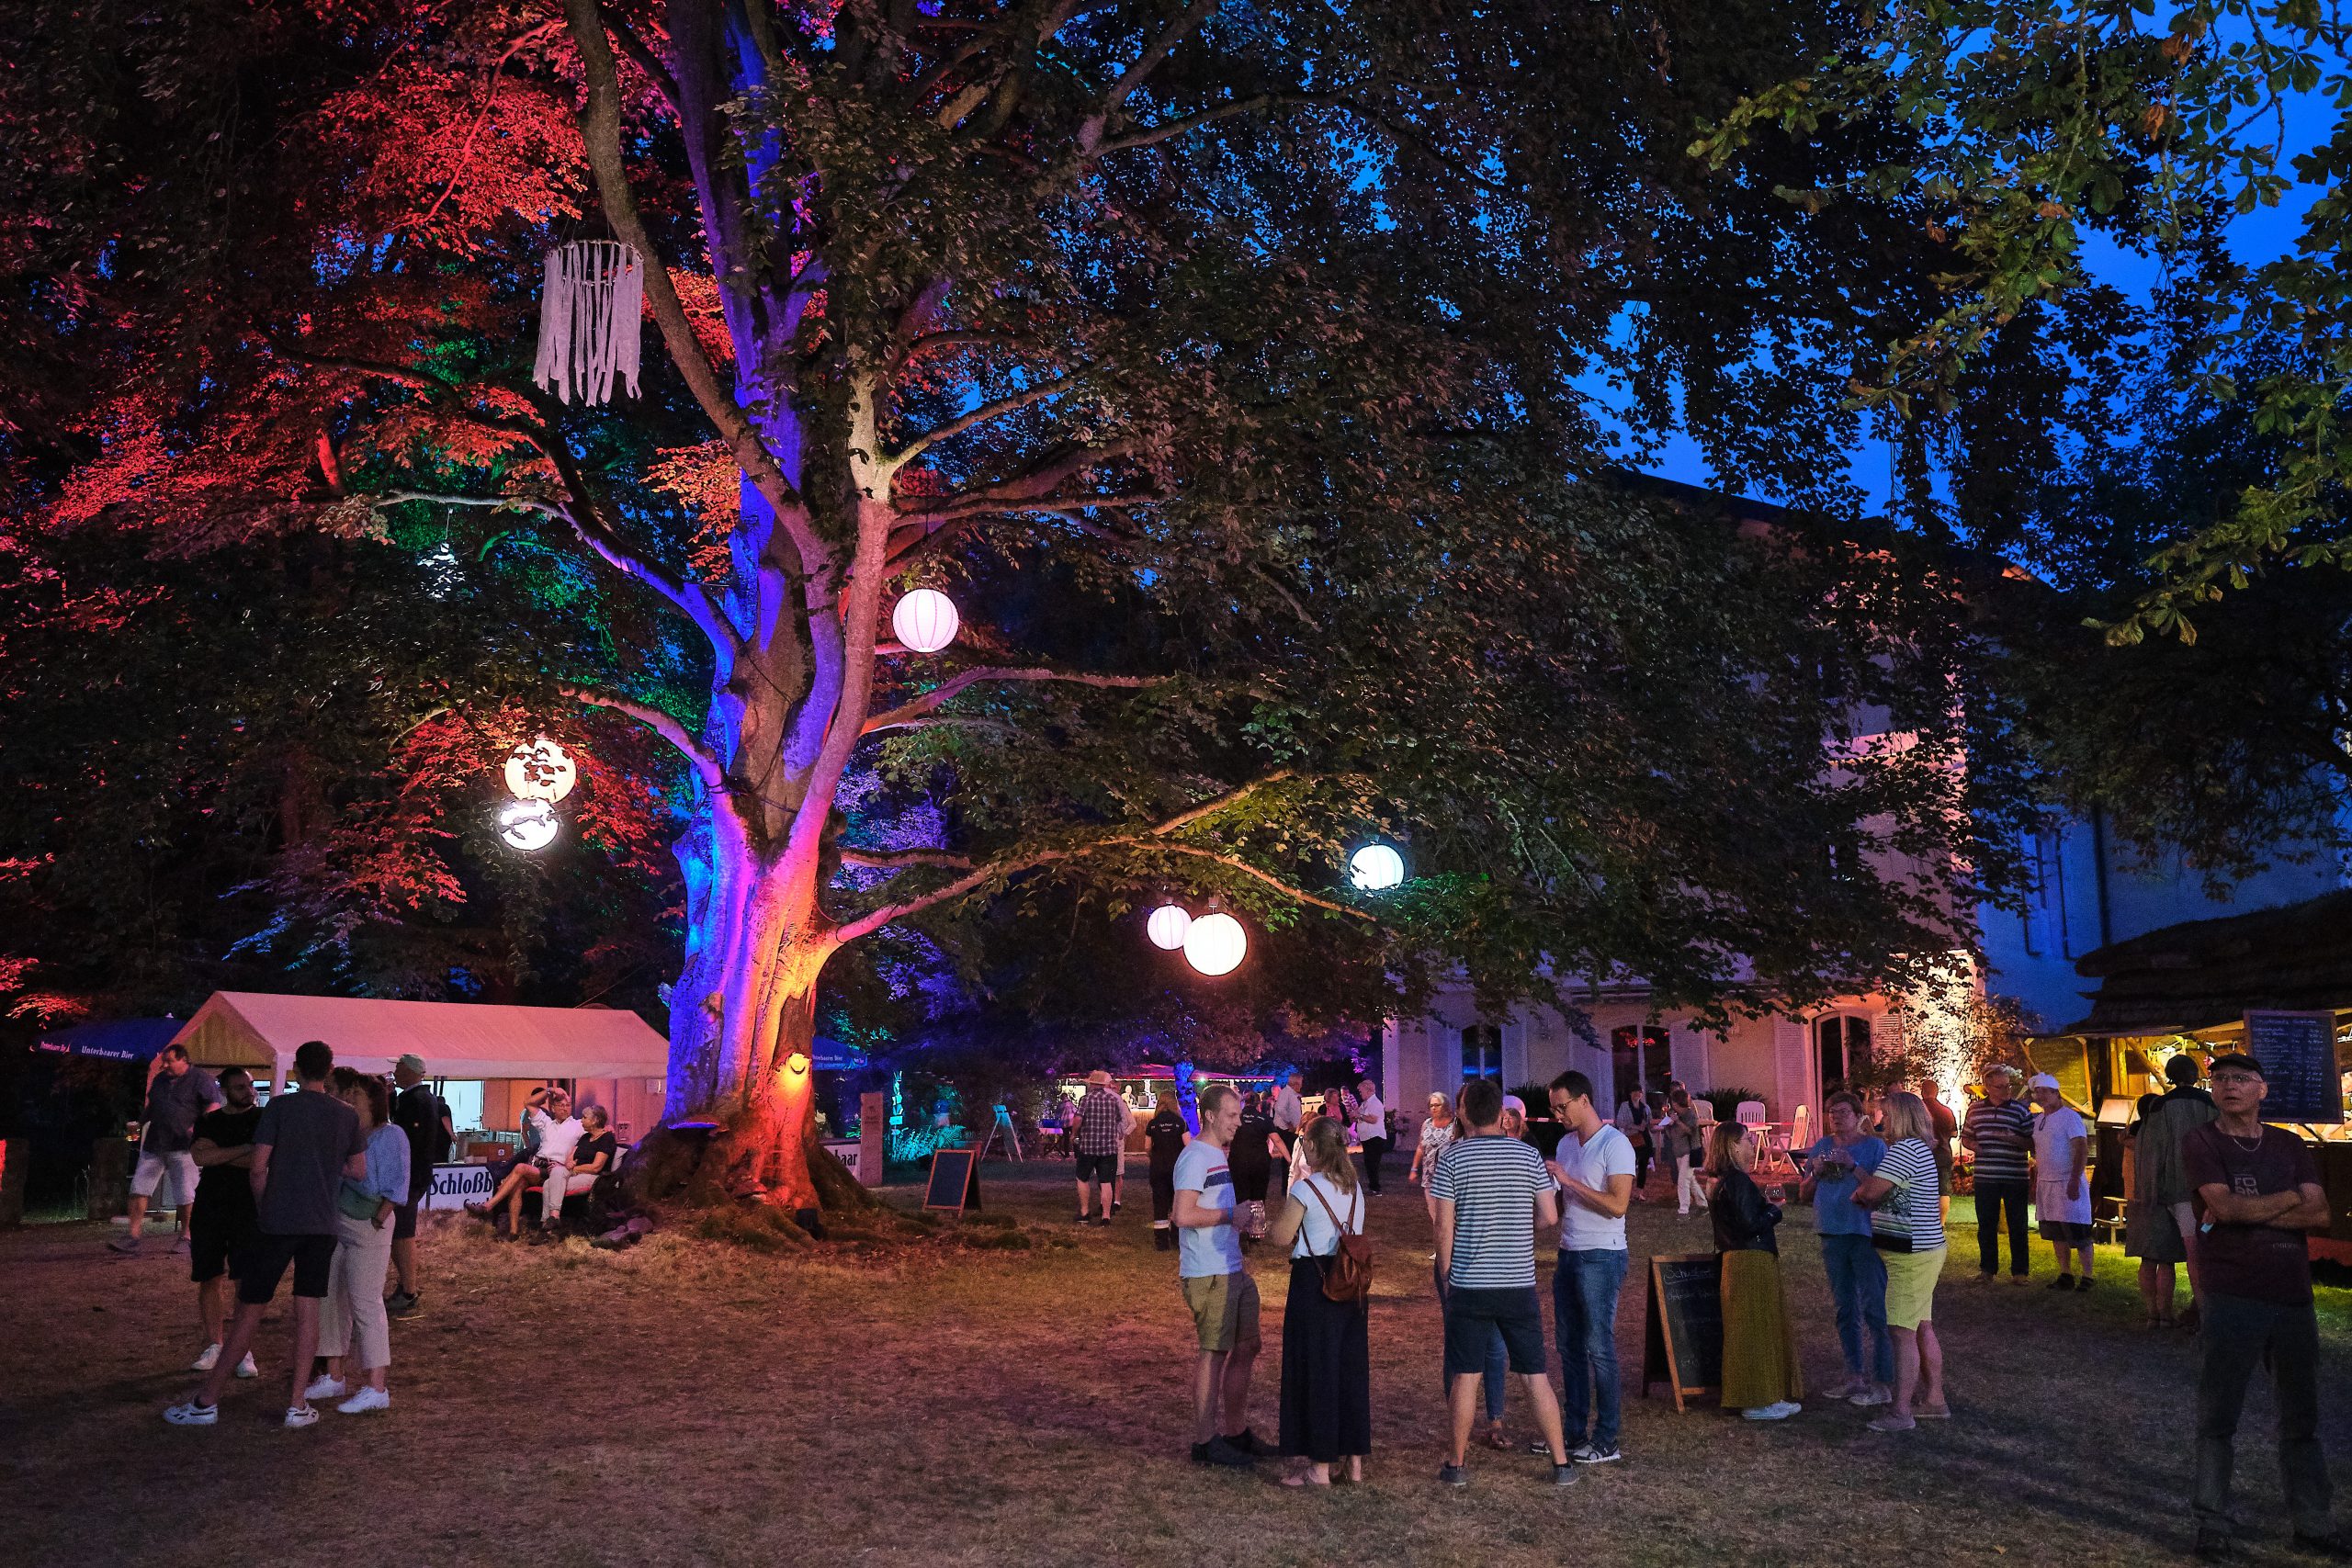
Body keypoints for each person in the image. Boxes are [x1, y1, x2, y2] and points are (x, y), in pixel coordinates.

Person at [2180, 1053, 2341, 1560]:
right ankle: (2212, 1522)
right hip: (2233, 1292)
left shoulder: (2289, 1144)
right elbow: (2224, 1207)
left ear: (2262, 1089)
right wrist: (2288, 1198)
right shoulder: (2202, 1141)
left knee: (2301, 1418)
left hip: (2291, 1296)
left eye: (2240, 1078)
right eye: (2220, 1079)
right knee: (2219, 1415)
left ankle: (2313, 1524)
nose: (2229, 1086)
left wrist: (2250, 1212)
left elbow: (2321, 1214)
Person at [166, 1039, 365, 1428]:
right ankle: (297, 1404)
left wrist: (263, 1205)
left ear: (296, 1069)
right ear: (329, 1070)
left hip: (278, 1222)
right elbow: (358, 1170)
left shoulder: (279, 1107)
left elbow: (258, 1167)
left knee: (249, 1311)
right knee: (308, 1313)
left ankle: (207, 1401)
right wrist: (324, 1167)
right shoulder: (347, 1115)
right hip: (321, 1225)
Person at [1430, 1076, 1576, 1489]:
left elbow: (1444, 1228)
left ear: (1463, 1113)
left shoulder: (1452, 1159)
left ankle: (1457, 1464)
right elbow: (1550, 1216)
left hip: (1470, 1283)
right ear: (1501, 1114)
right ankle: (1562, 1463)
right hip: (1517, 1283)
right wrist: (1517, 1228)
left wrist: (1447, 1275)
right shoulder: (1528, 1156)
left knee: (1466, 1375)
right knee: (1535, 1375)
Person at [1267, 1117, 1372, 1485]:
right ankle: (1354, 1463)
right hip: (1352, 1283)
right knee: (1350, 1370)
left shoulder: (1306, 1189)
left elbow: (1282, 1236)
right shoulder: (1355, 1189)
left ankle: (1319, 1467)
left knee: (1318, 1370)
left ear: (1311, 1146)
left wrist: (1266, 1226)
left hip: (1315, 1284)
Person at [1540, 1070, 1636, 1461]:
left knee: (1599, 1346)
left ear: (1584, 1100)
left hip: (1602, 1254)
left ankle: (1607, 1438)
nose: (1557, 1115)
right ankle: (1573, 1432)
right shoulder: (1566, 1144)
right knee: (1569, 1346)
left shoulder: (1616, 1144)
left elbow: (1618, 1205)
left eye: (1561, 1106)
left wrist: (1569, 1181)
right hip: (1569, 1252)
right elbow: (1560, 1205)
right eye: (1553, 1109)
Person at [1170, 1083, 1262, 1468]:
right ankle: (1205, 1442)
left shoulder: (1215, 1155)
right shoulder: (1195, 1157)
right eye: (1231, 1115)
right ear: (1209, 1116)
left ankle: (1236, 1433)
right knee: (1213, 1353)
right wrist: (1230, 1215)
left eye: (1239, 1115)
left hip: (1230, 1266)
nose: (1238, 1123)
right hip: (1208, 1272)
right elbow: (1182, 1215)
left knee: (1247, 1346)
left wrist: (1240, 1218)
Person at [307, 1068, 408, 1415]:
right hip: (338, 1221)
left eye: (356, 1094)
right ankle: (334, 1375)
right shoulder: (348, 1133)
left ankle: (376, 1386)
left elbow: (396, 1183)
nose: (349, 1098)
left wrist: (379, 1217)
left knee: (366, 1303)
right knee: (329, 1297)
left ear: (373, 1100)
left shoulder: (390, 1135)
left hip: (367, 1223)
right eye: (347, 1093)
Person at [1851, 1090, 1950, 1433]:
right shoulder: (1916, 1149)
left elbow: (1873, 1191)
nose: (1882, 1120)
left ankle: (1901, 1411)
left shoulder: (1905, 1149)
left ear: (1903, 1117)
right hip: (1922, 1249)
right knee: (1921, 1324)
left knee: (1901, 1331)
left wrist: (1862, 1190)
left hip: (1912, 1254)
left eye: (1887, 1115)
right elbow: (1884, 1188)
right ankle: (1934, 1399)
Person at [1705, 1122, 1804, 1420]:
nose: (1752, 1144)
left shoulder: (1724, 1181)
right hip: (1749, 1260)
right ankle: (1757, 1400)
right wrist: (1774, 1211)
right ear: (1734, 1146)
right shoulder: (1737, 1181)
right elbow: (1749, 1224)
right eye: (1747, 1139)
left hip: (1739, 1259)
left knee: (1755, 1327)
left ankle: (1766, 1394)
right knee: (1754, 1329)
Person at [1800, 1091, 1893, 1405]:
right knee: (1845, 1307)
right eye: (1832, 1113)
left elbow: (1880, 1191)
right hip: (1832, 1232)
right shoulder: (1822, 1147)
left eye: (1842, 1112)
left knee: (1875, 1307)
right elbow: (1803, 1193)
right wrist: (1816, 1173)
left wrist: (1852, 1165)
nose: (1836, 1117)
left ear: (1857, 1115)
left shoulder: (1874, 1147)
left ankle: (1882, 1382)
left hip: (1864, 1233)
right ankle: (1854, 1377)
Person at [187, 1068, 263, 1381]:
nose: (248, 1091)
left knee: (245, 1279)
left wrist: (219, 1153)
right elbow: (199, 1157)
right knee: (209, 1276)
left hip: (247, 1208)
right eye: (240, 1087)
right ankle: (215, 1344)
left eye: (249, 1085)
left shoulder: (262, 1119)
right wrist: (244, 1149)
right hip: (210, 1207)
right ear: (224, 1090)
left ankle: (242, 1348)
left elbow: (260, 1161)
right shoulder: (209, 1120)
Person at [111, 1044, 223, 1256]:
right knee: (139, 1188)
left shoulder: (201, 1079)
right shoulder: (160, 1080)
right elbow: (153, 1106)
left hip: (183, 1146)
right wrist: (139, 1123)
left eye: (169, 1061)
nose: (164, 1065)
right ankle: (133, 1237)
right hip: (155, 1144)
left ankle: (187, 1237)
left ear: (183, 1060)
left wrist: (199, 1128)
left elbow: (213, 1106)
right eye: (163, 1061)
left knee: (185, 1194)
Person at [2141, 1053, 2221, 1331]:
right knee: (2203, 1251)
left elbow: (2152, 1153)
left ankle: (2193, 1314)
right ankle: (2206, 1313)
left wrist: (2150, 1191)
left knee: (2184, 1253)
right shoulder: (2211, 1103)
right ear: (2196, 1075)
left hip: (2173, 1192)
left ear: (2170, 1076)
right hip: (2209, 1190)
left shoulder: (2160, 1106)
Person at [465, 1085, 583, 1238]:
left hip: (552, 1170)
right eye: (560, 1105)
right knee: (518, 1185)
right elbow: (529, 1103)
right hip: (536, 1166)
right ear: (553, 1108)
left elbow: (598, 1128)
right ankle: (513, 1232)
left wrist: (607, 1128)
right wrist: (550, 1090)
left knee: (521, 1167)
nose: (565, 1108)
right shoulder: (547, 1123)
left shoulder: (578, 1125)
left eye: (568, 1105)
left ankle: (487, 1206)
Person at [387, 1054, 452, 1317]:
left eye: (399, 1067)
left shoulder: (416, 1100)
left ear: (411, 1071)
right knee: (401, 1232)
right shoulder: (422, 1098)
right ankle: (406, 1285)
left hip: (409, 1176)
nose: (395, 1072)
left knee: (402, 1234)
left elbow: (408, 1140)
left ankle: (408, 1290)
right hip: (415, 1174)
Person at [1961, 1066, 2034, 1282]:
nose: (2006, 1091)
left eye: (2008, 1086)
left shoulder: (2020, 1111)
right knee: (1986, 1224)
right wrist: (1975, 1145)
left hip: (2015, 1176)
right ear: (1988, 1087)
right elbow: (1966, 1137)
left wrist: (2014, 1139)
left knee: (2018, 1224)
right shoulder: (1975, 1110)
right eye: (2000, 1087)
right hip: (1986, 1176)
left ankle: (2020, 1272)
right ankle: (1987, 1269)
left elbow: (2032, 1142)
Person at [2028, 1074, 2094, 1291]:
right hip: (2047, 1182)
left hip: (2066, 1181)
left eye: (2045, 1092)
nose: (2041, 1096)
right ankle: (2066, 1274)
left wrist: (2074, 1179)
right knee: (2056, 1231)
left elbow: (2081, 1147)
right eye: (2038, 1092)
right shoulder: (2039, 1120)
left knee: (2078, 1230)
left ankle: (2087, 1275)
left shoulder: (2069, 1117)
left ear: (2056, 1093)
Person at [2124, 1091, 2180, 1326]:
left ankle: (2151, 1313)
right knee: (2166, 1260)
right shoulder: (2157, 1136)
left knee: (2147, 1259)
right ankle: (2165, 1313)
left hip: (2136, 1202)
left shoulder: (2131, 1136)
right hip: (2159, 1201)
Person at [1070, 1070, 1125, 1226]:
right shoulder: (1113, 1100)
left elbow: (1078, 1119)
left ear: (1092, 1084)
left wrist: (1074, 1134)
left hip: (1089, 1146)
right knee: (1106, 1181)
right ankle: (1106, 1216)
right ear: (1105, 1084)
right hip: (1109, 1148)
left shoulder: (1086, 1099)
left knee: (1082, 1178)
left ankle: (1085, 1212)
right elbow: (1120, 1121)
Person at [1146, 1091, 1191, 1252]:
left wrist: (1155, 1156)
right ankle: (1177, 1238)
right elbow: (1188, 1146)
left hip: (1158, 1168)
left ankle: (1161, 1241)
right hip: (1178, 1169)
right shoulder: (1180, 1122)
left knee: (1160, 1204)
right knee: (1177, 1203)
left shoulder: (1152, 1123)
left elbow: (1147, 1147)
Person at [1231, 1092, 1275, 1246]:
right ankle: (1256, 1232)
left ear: (1243, 1103)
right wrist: (1289, 1158)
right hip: (1259, 1162)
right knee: (1258, 1196)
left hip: (1238, 1161)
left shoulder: (1236, 1118)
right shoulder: (1264, 1119)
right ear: (1258, 1104)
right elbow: (1276, 1139)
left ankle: (1241, 1229)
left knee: (1241, 1195)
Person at [1410, 1092, 1457, 1226]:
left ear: (1445, 1106)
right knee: (1435, 1213)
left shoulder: (1455, 1124)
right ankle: (1441, 1237)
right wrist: (1414, 1169)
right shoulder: (1427, 1124)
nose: (1434, 1108)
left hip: (1450, 1177)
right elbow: (1421, 1147)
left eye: (1437, 1105)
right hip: (1430, 1176)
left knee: (1452, 1215)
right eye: (1431, 1106)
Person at [1661, 1086, 1705, 1215]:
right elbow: (1671, 1136)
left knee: (1683, 1181)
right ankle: (1703, 1204)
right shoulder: (1675, 1116)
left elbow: (1692, 1131)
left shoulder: (1689, 1114)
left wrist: (1678, 1122)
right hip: (1679, 1152)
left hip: (1690, 1151)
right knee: (1690, 1180)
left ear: (1676, 1103)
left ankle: (1683, 1210)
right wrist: (1667, 1125)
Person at [1348, 1078, 1390, 1196]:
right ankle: (1373, 1187)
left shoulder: (1375, 1103)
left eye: (1361, 1091)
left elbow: (1373, 1119)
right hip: (1367, 1138)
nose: (1359, 1093)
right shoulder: (1364, 1104)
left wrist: (1358, 1115)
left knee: (1372, 1163)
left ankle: (1376, 1189)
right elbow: (1357, 1117)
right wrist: (1354, 1116)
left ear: (1368, 1090)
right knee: (1368, 1163)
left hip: (1375, 1137)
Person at [1614, 1084, 1656, 1200]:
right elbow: (1619, 1122)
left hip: (1645, 1139)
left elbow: (1650, 1123)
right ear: (1630, 1093)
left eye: (1639, 1092)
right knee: (1629, 1166)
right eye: (1634, 1091)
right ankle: (1625, 1192)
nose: (1637, 1094)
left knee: (1643, 1166)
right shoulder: (1625, 1106)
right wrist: (1635, 1127)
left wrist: (1652, 1125)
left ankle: (1639, 1192)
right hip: (1632, 1138)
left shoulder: (1645, 1107)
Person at [1922, 1080, 1960, 1155]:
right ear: (1937, 1093)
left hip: (1922, 1154)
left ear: (1923, 1092)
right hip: (1943, 1154)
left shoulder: (1916, 1110)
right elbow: (1954, 1133)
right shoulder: (1947, 1111)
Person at [1272, 1071, 1305, 1155]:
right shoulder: (1286, 1093)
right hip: (1286, 1130)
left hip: (1291, 1130)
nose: (1301, 1086)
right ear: (1296, 1084)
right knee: (1289, 1153)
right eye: (1300, 1083)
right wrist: (1289, 1123)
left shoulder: (1292, 1094)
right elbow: (1280, 1109)